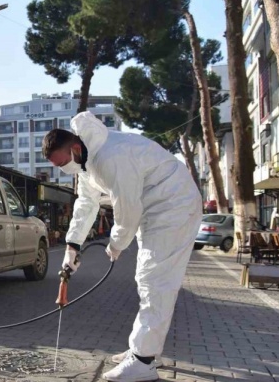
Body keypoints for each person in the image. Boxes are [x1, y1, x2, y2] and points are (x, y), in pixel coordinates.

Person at [43, 112, 201, 382]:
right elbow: (86, 204)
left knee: (155, 281)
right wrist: (72, 245)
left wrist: (116, 244)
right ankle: (144, 350)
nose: (63, 169)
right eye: (58, 166)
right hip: (157, 209)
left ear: (75, 148)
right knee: (148, 280)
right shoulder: (88, 162)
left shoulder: (109, 157)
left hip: (173, 206)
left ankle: (143, 360)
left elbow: (127, 209)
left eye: (62, 163)